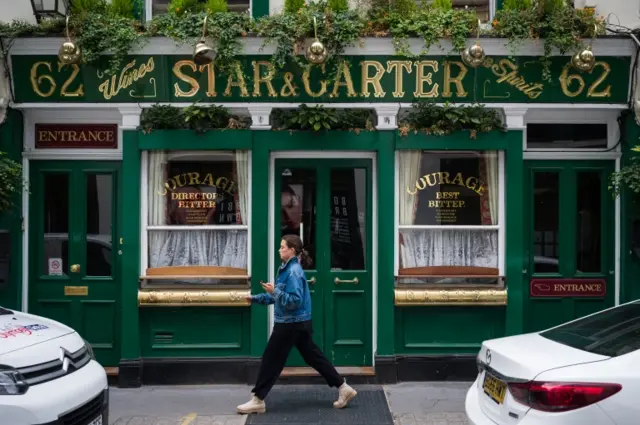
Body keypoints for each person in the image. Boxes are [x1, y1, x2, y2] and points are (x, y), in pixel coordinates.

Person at [236, 234, 357, 414]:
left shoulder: (293, 272)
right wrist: (254, 298)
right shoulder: (287, 269)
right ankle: (343, 388)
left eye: (282, 247)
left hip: (290, 324)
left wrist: (274, 291)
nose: (279, 250)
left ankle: (258, 400)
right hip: (298, 323)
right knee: (313, 356)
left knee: (271, 359)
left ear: (292, 250)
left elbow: (294, 301)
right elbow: (278, 298)